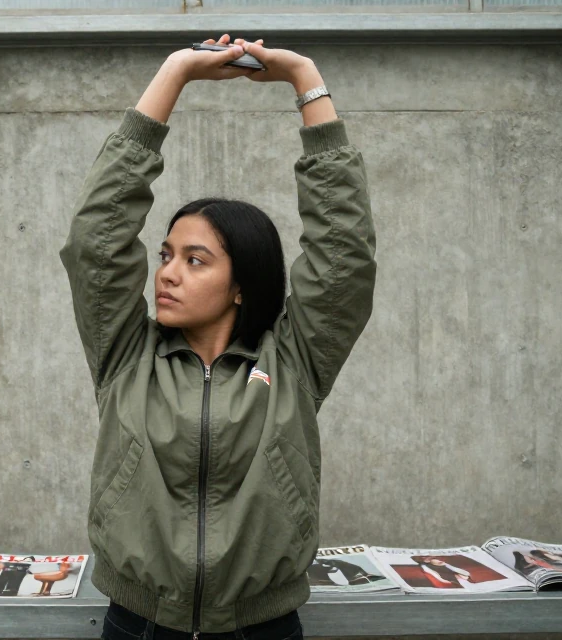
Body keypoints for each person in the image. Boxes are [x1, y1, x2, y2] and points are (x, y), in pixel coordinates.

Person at [58, 33, 376, 640]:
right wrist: (174, 74)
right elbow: (96, 240)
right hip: (139, 624)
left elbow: (343, 256)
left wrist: (305, 78)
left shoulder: (295, 359)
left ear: (241, 285)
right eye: (166, 254)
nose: (168, 273)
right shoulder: (127, 355)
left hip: (262, 627)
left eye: (196, 260)